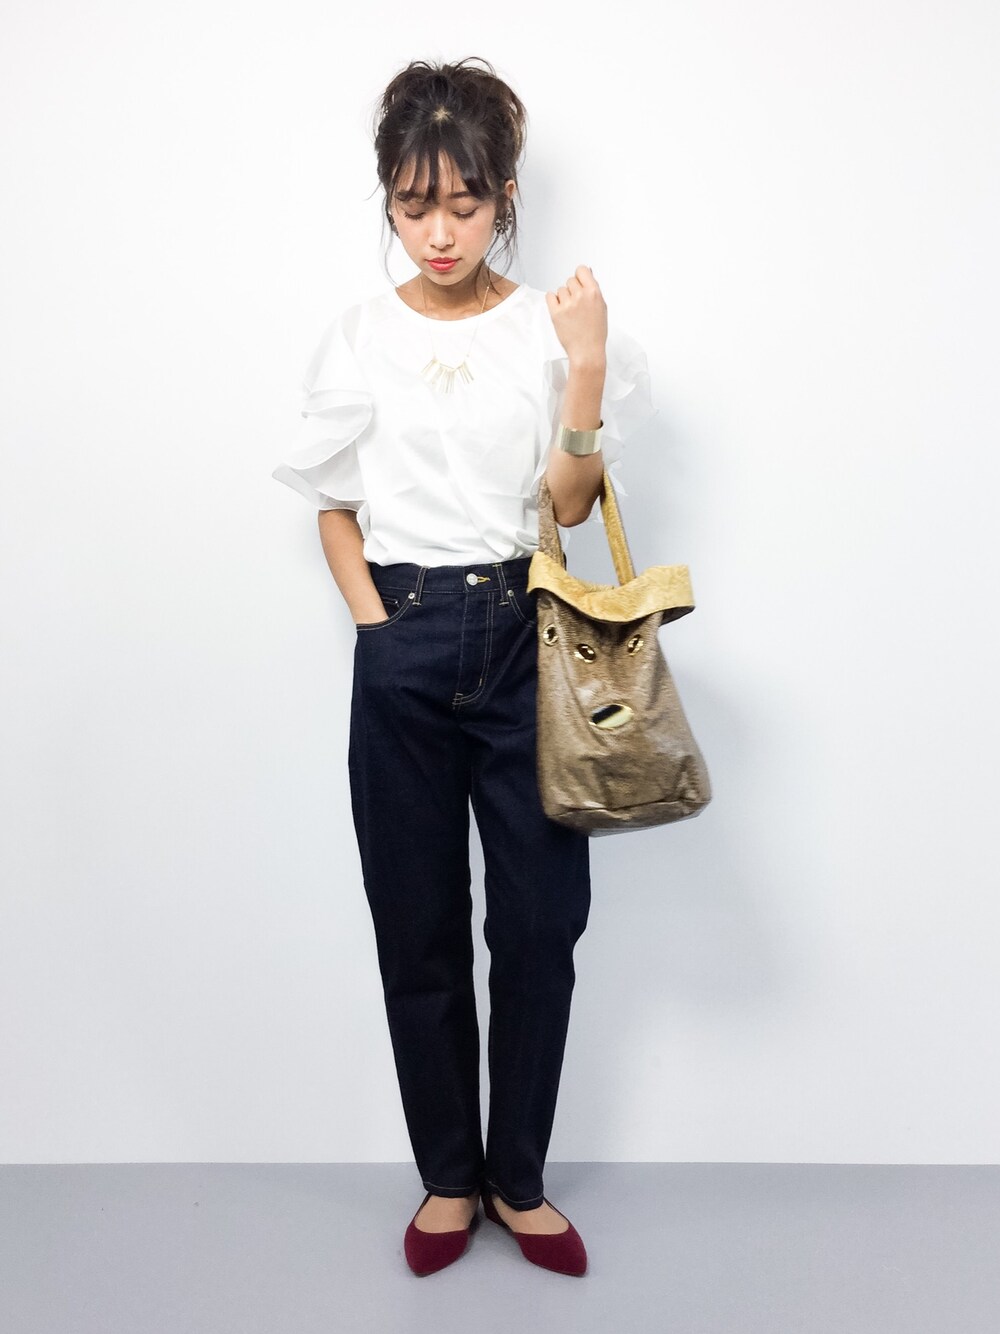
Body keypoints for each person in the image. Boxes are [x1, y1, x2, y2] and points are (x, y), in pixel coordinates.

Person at [272, 56, 656, 1277]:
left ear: (504, 196)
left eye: (463, 203)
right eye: (412, 205)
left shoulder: (546, 328)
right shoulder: (359, 334)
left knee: (540, 924)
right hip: (402, 635)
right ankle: (449, 1175)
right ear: (387, 199)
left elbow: (572, 505)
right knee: (418, 923)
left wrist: (583, 366)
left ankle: (516, 1178)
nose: (437, 233)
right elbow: (334, 507)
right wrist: (375, 627)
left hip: (524, 635)